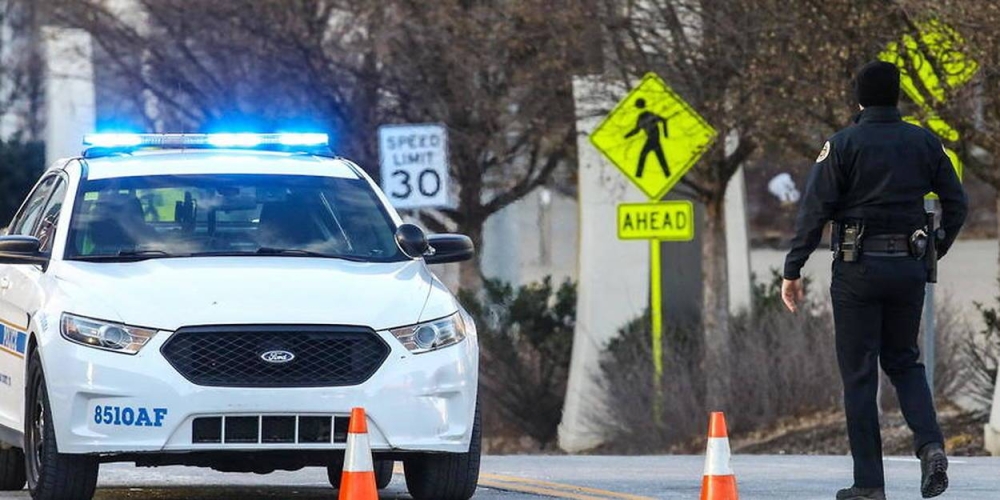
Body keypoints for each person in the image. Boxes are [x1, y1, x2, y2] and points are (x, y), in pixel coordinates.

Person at [781, 61, 967, 500]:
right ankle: (930, 446)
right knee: (904, 361)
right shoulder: (924, 142)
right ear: (897, 96)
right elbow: (956, 204)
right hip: (908, 268)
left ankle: (869, 486)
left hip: (857, 270)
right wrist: (933, 247)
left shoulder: (842, 144)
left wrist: (793, 268)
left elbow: (814, 211)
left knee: (861, 375)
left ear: (859, 99)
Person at [624, 98, 670, 178]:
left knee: (644, 155)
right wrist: (626, 136)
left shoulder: (650, 114)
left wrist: (665, 134)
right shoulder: (640, 118)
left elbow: (664, 120)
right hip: (651, 138)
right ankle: (667, 174)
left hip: (654, 138)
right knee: (660, 157)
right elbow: (636, 130)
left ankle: (639, 175)